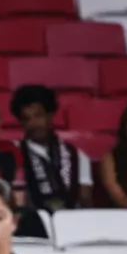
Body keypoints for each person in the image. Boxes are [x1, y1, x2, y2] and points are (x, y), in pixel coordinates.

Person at [10, 84, 92, 236]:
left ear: (51, 115)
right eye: (27, 119)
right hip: (29, 231)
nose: (34, 124)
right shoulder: (12, 154)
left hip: (72, 230)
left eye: (38, 115)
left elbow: (85, 200)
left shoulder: (77, 156)